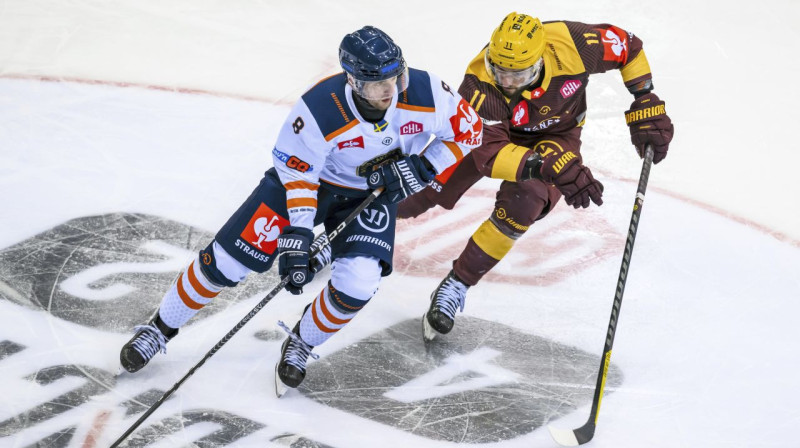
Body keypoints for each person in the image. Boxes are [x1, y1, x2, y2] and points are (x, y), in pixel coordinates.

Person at [118, 26, 483, 393]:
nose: (392, 90)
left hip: (369, 193)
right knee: (227, 261)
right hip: (311, 185)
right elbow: (300, 178)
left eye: (396, 76)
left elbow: (470, 131)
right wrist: (300, 234)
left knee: (359, 282)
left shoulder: (426, 92)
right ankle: (159, 327)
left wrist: (425, 166)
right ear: (354, 82)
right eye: (379, 84)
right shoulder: (319, 110)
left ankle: (302, 342)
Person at [395, 12, 674, 341]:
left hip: (555, 138)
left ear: (540, 60)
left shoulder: (574, 44)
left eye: (520, 74)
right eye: (500, 70)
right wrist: (548, 167)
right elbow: (490, 156)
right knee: (418, 190)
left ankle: (457, 283)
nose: (508, 82)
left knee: (524, 204)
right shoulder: (479, 84)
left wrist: (644, 96)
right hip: (489, 140)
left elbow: (628, 47)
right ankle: (344, 230)